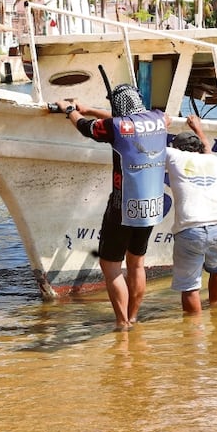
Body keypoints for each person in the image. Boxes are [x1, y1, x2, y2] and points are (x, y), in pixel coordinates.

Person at [56, 83, 169, 330]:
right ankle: (134, 316)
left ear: (118, 107)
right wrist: (94, 109)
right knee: (137, 263)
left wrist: (70, 110)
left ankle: (122, 323)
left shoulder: (115, 127)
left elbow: (86, 128)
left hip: (122, 206)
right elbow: (126, 122)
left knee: (111, 265)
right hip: (151, 207)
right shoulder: (161, 119)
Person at [165, 115, 217, 314]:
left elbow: (152, 141)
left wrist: (163, 125)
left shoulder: (174, 156)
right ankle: (215, 308)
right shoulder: (213, 160)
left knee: (189, 287)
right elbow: (206, 147)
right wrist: (198, 128)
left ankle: (194, 332)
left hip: (190, 229)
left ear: (177, 148)